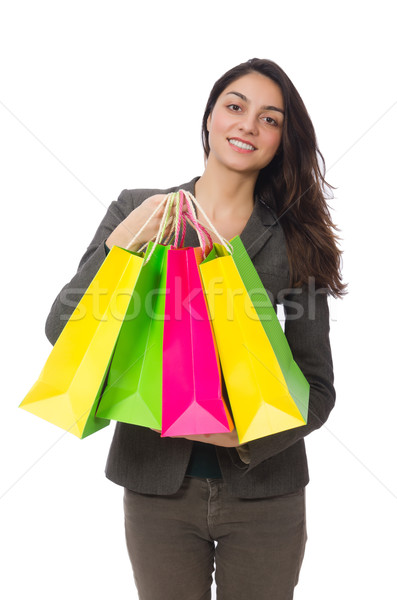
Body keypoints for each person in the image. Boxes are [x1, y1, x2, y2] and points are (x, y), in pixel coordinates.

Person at [45, 58, 345, 600]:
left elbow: (318, 390)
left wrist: (244, 438)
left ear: (282, 139)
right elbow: (64, 330)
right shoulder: (136, 209)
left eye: (270, 118)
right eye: (235, 106)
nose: (248, 125)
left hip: (265, 494)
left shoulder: (293, 239)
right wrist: (123, 247)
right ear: (209, 118)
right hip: (157, 487)